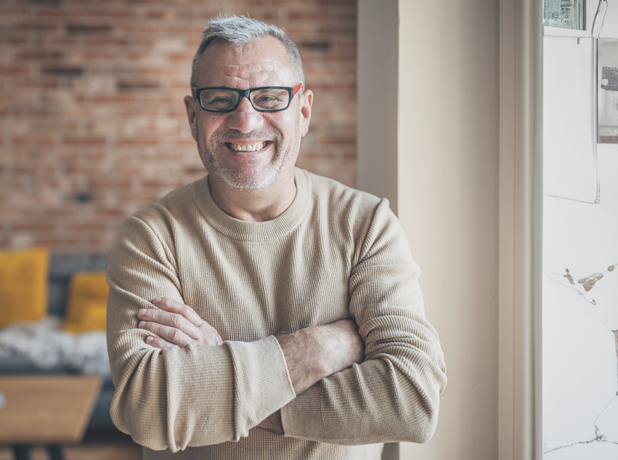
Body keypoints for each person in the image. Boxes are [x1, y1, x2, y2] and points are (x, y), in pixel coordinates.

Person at [106, 15, 447, 460]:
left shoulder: (367, 224)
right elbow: (148, 408)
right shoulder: (151, 237)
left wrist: (223, 370)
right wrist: (318, 348)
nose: (245, 121)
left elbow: (411, 401)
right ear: (193, 116)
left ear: (303, 112)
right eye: (221, 99)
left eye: (269, 98)